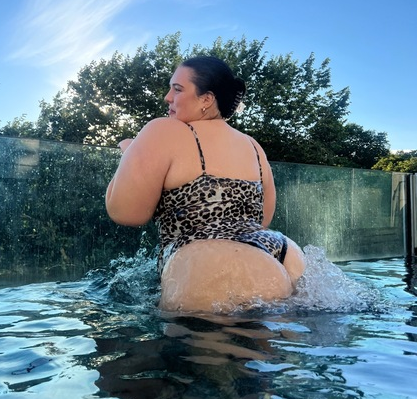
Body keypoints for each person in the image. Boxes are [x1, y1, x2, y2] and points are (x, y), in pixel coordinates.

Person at [105, 55, 305, 313]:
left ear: (206, 99)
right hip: (283, 252)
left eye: (177, 89)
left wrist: (129, 153)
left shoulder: (163, 130)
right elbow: (261, 220)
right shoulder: (253, 146)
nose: (167, 97)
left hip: (208, 264)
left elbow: (126, 212)